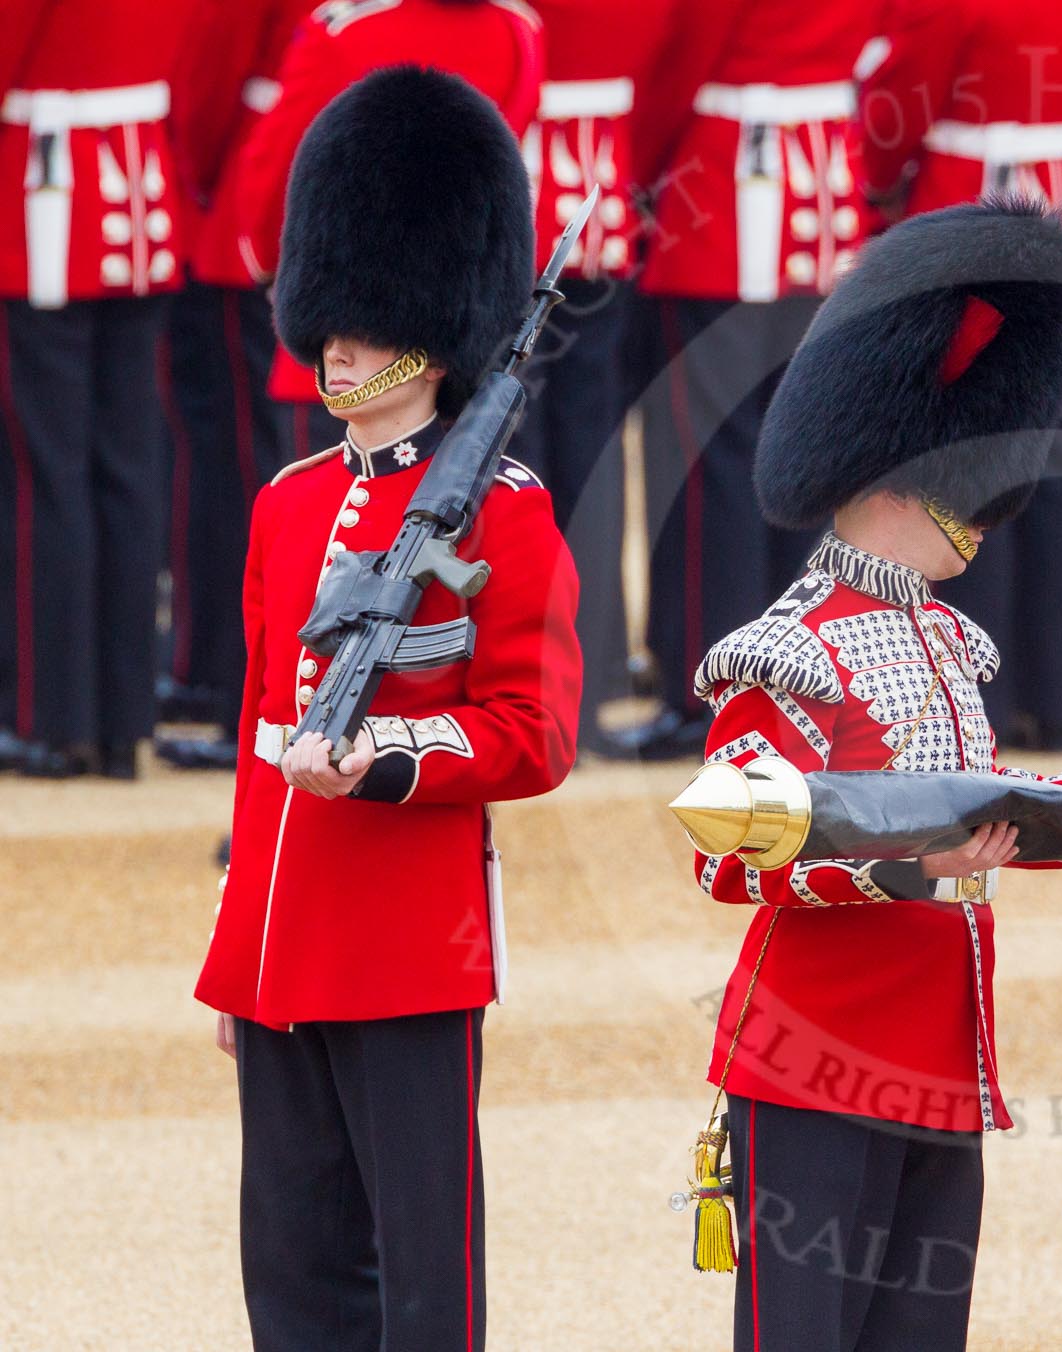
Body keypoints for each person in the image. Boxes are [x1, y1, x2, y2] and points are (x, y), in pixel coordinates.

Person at [691, 197, 1062, 1351]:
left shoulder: (943, 637)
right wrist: (903, 865)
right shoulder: (787, 644)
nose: (986, 522)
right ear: (897, 474)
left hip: (936, 1055)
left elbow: (986, 796)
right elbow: (728, 848)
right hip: (817, 1059)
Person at [193, 68, 581, 1350]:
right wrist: (239, 938)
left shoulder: (506, 508)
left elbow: (535, 732)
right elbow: (261, 729)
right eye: (329, 321)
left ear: (429, 331)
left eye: (362, 326)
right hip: (281, 938)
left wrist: (392, 754)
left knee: (424, 1277)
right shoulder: (287, 501)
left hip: (412, 944)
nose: (335, 347)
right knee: (291, 1268)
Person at [855, 0, 1062, 751]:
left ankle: (979, 694)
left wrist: (883, 188)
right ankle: (1057, 700)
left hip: (971, 221)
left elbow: (895, 111)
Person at [622, 0, 880, 760]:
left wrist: (642, 173)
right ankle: (800, 684)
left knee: (710, 465)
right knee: (804, 460)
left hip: (727, 192)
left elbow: (677, 69)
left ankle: (706, 685)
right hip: (823, 189)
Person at [0, 0, 203, 777]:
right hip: (142, 196)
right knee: (126, 466)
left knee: (42, 472)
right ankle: (122, 718)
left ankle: (50, 717)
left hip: (45, 201)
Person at [225, 0, 543, 458]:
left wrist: (275, 269)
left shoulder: (345, 31)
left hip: (344, 349)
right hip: (460, 348)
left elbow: (274, 177)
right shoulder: (518, 27)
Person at [155, 0, 321, 771]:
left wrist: (192, 180)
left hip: (249, 211)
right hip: (305, 203)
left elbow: (208, 76)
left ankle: (232, 684)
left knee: (240, 470)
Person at [516, 0, 671, 756]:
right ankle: (595, 671)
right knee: (594, 454)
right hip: (601, 187)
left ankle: (526, 677)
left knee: (513, 460)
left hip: (516, 193)